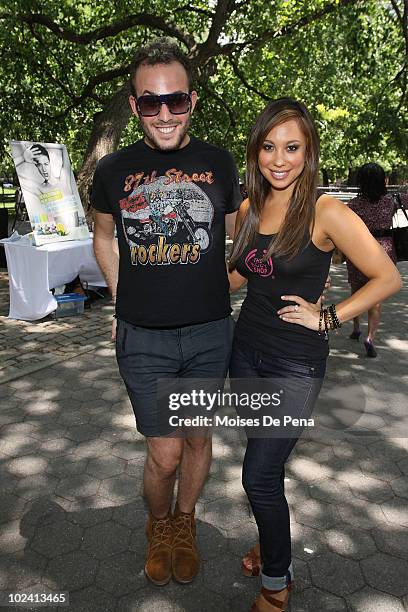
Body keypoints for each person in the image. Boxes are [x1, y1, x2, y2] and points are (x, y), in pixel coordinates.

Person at [227, 98, 401, 611]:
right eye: (269, 147)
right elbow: (238, 275)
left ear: (309, 152)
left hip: (295, 364)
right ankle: (271, 541)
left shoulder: (326, 211)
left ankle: (276, 586)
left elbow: (387, 277)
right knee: (266, 466)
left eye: (292, 147)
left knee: (258, 474)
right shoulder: (249, 208)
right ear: (256, 151)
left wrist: (328, 316)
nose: (279, 160)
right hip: (245, 353)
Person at [91, 38, 241, 587]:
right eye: (150, 102)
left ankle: (185, 522)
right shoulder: (113, 170)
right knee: (166, 453)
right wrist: (117, 294)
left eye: (175, 101)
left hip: (208, 333)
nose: (163, 114)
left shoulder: (218, 163)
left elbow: (251, 234)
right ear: (134, 106)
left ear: (191, 102)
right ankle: (158, 522)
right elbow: (104, 237)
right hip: (144, 338)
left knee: (199, 437)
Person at [346, 163, 400, 357]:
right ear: (382, 180)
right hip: (384, 251)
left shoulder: (353, 204)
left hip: (359, 250)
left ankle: (356, 328)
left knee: (357, 291)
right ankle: (370, 338)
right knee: (375, 298)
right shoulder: (390, 202)